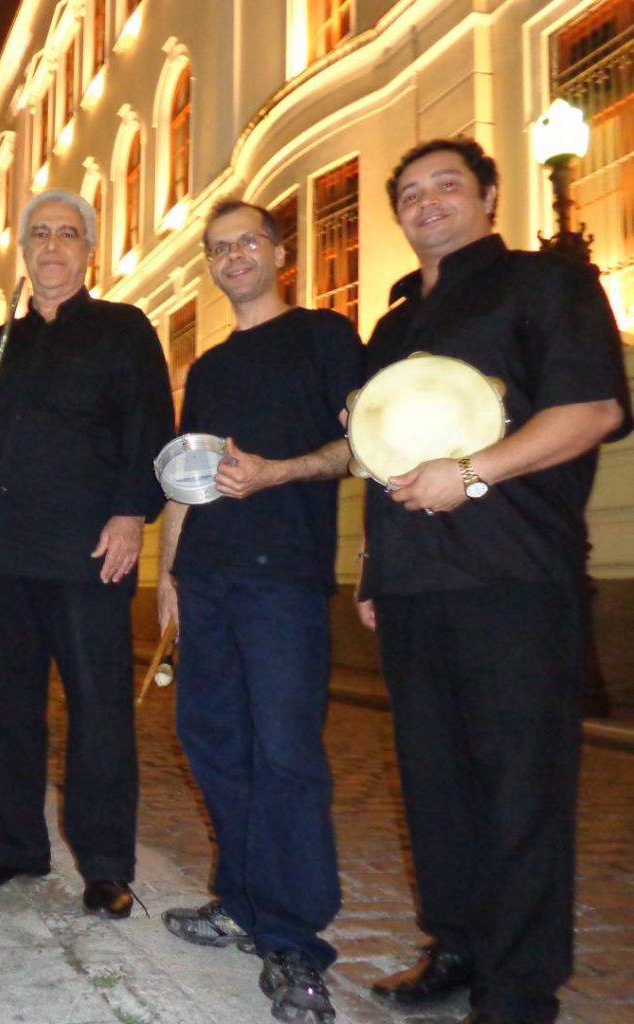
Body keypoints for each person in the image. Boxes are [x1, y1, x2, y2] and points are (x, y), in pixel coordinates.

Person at [359, 138, 631, 1024]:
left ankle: (517, 992)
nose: (426, 203)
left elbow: (592, 408)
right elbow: (381, 456)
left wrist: (471, 472)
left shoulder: (541, 283)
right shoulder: (391, 327)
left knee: (520, 787)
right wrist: (371, 567)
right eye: (408, 193)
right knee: (433, 785)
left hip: (511, 577)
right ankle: (457, 949)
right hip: (410, 586)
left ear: (487, 197)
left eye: (446, 186)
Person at [0, 189, 174, 919]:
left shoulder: (122, 329)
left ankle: (105, 865)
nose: (51, 245)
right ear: (23, 249)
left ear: (88, 250)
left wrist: (133, 512)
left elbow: (149, 429)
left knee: (99, 712)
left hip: (84, 555)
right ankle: (14, 847)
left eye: (66, 234)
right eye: (38, 233)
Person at [155, 200, 361, 1021]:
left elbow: (360, 445)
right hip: (204, 578)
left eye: (247, 241)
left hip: (282, 582)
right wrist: (169, 575)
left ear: (278, 251)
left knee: (284, 757)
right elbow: (183, 476)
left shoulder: (325, 337)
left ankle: (296, 942)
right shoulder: (206, 368)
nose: (233, 256)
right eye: (219, 248)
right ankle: (241, 904)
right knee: (214, 746)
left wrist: (278, 472)